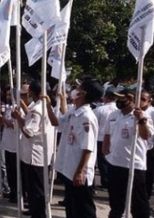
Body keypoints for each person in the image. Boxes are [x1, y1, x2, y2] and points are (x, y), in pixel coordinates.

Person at [54, 78, 103, 218]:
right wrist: (54, 101)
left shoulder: (86, 117)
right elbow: (59, 120)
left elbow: (88, 148)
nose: (75, 90)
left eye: (78, 88)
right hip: (70, 169)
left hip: (79, 171)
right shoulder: (75, 111)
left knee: (84, 209)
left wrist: (80, 171)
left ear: (83, 93)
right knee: (72, 207)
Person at [102, 88, 153, 218]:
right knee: (115, 201)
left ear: (131, 99)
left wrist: (141, 120)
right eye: (117, 98)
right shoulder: (114, 115)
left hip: (134, 165)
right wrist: (105, 147)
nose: (119, 101)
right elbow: (107, 132)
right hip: (115, 163)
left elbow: (146, 135)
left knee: (138, 203)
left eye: (122, 98)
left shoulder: (143, 116)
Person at [12, 80, 55, 218]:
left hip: (34, 156)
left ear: (32, 92)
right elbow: (31, 126)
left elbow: (29, 132)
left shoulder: (37, 109)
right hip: (39, 154)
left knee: (36, 192)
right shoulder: (44, 107)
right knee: (36, 191)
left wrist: (18, 118)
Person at [93, 87, 118, 189]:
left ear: (106, 97)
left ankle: (105, 181)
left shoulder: (99, 110)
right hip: (114, 138)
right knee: (111, 160)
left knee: (102, 161)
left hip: (100, 138)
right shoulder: (118, 110)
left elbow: (95, 124)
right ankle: (110, 181)